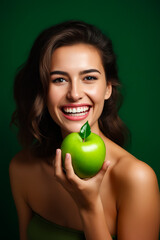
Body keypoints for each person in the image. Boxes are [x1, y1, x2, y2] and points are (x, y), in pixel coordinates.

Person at [9, 20, 159, 240]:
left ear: (108, 88)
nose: (74, 93)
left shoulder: (136, 179)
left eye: (89, 78)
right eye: (59, 79)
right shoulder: (22, 168)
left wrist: (89, 207)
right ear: (42, 90)